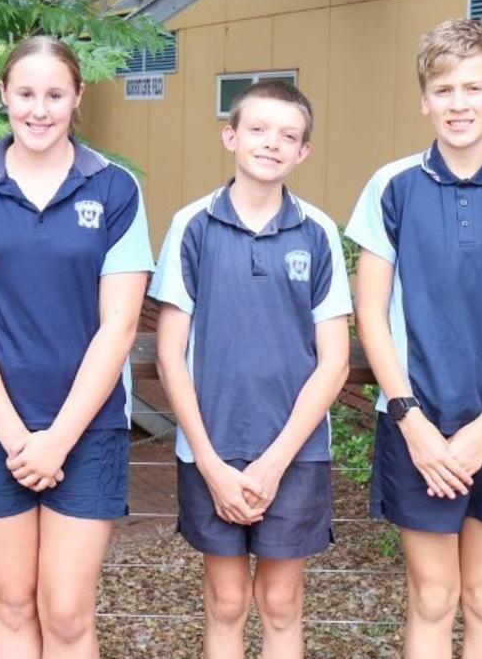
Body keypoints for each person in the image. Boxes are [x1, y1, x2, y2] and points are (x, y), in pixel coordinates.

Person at [346, 18, 482, 659]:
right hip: (421, 424)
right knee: (433, 597)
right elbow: (371, 311)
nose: (459, 103)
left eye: (474, 88)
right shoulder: (392, 187)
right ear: (424, 100)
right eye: (444, 90)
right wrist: (413, 421)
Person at [0, 36, 151, 657]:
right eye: (25, 93)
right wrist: (14, 435)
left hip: (89, 426)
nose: (39, 109)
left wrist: (57, 438)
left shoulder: (115, 190)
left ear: (77, 98)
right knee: (10, 604)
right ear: (3, 95)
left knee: (68, 612)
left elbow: (119, 325)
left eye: (55, 95)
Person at [150, 80, 351, 658]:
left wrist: (274, 461)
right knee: (227, 599)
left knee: (282, 603)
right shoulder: (192, 226)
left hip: (295, 450)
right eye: (258, 130)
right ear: (231, 135)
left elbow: (334, 359)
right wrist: (210, 462)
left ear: (303, 151)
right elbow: (169, 353)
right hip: (211, 446)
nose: (271, 144)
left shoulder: (317, 233)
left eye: (288, 135)